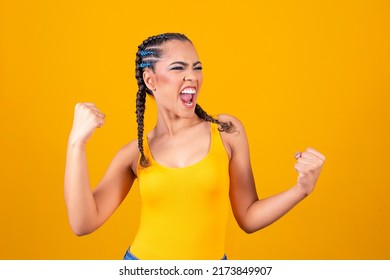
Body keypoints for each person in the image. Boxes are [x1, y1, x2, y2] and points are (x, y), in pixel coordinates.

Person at [64, 33, 325, 260]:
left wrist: (301, 189)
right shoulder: (136, 153)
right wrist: (77, 143)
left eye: (197, 67)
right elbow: (83, 223)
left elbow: (248, 217)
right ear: (151, 80)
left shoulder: (226, 131)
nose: (192, 76)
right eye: (178, 68)